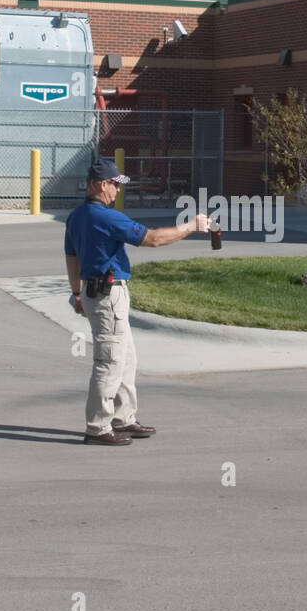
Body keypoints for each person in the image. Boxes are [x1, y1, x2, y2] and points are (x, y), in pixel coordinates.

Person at [64, 157, 208, 445]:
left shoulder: (77, 216)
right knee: (109, 361)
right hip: (108, 296)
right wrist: (191, 226)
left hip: (97, 294)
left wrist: (77, 292)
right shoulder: (106, 217)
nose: (118, 191)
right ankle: (98, 427)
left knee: (126, 358)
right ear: (100, 185)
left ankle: (123, 418)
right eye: (115, 185)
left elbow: (71, 256)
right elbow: (152, 238)